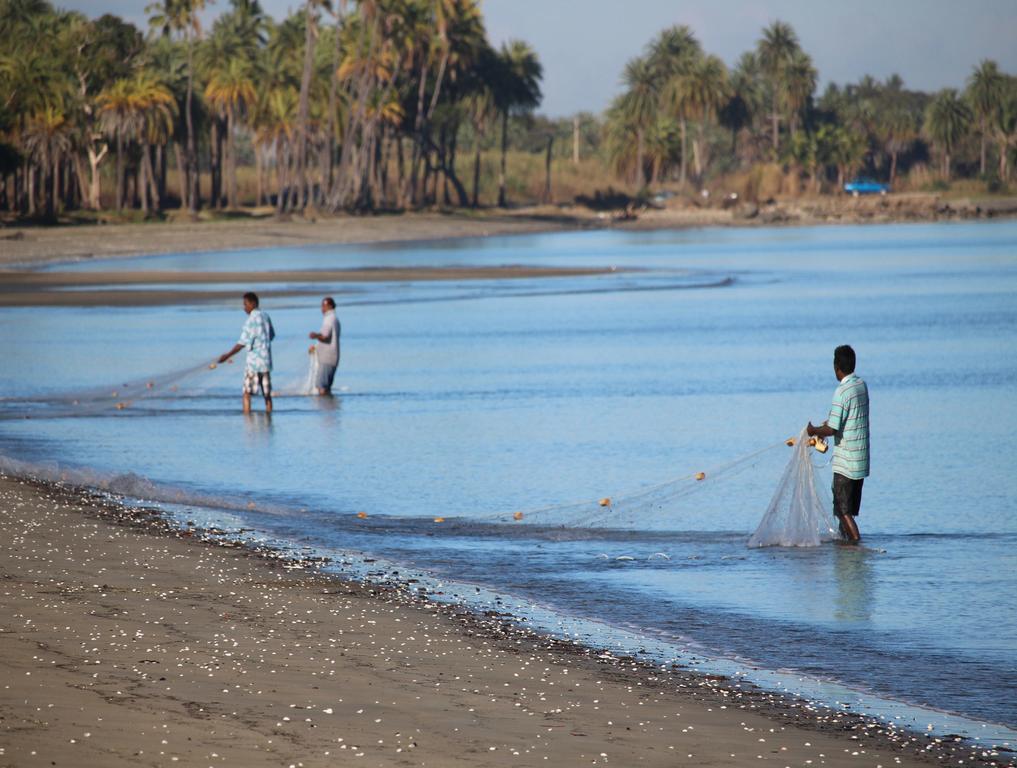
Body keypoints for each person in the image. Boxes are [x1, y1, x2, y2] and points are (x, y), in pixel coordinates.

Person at [807, 345, 870, 544]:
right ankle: (846, 547)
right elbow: (846, 419)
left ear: (837, 367)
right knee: (848, 510)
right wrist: (825, 426)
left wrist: (813, 431)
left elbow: (832, 430)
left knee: (842, 511)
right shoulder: (861, 385)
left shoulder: (841, 391)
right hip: (861, 460)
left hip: (847, 462)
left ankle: (857, 544)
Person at [219, 292, 275, 414]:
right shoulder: (266, 316)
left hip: (254, 364)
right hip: (266, 362)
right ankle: (269, 418)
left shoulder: (250, 320)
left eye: (246, 304)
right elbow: (271, 335)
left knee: (246, 393)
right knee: (267, 394)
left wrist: (227, 355)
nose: (244, 307)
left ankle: (247, 419)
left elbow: (241, 343)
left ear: (253, 303)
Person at [308, 296, 341, 395]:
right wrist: (316, 346)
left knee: (321, 386)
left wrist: (315, 335)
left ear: (330, 306)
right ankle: (329, 407)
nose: (322, 308)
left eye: (324, 306)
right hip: (331, 357)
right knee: (325, 386)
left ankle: (324, 408)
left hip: (327, 358)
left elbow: (325, 336)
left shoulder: (329, 319)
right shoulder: (334, 318)